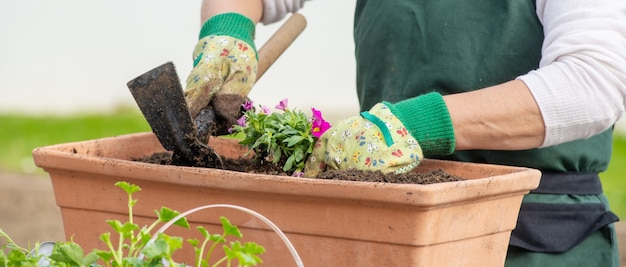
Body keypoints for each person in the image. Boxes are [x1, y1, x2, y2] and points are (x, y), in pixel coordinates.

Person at [183, 0, 626, 266]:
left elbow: (593, 81)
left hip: (532, 235)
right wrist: (229, 28)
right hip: (392, 222)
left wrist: (417, 124)